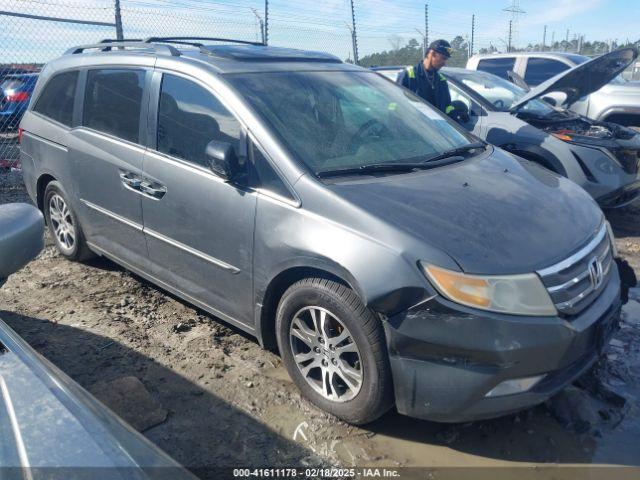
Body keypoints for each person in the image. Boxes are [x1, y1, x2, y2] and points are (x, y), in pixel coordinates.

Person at [397, 39, 455, 116]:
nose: (444, 63)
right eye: (443, 58)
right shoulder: (408, 76)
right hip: (414, 126)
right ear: (432, 53)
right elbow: (396, 106)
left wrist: (456, 113)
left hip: (436, 127)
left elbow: (447, 108)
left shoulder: (441, 81)